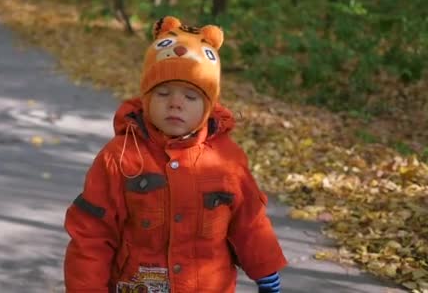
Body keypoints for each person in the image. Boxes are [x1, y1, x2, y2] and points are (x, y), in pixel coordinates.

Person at [63, 16, 287, 293]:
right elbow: (92, 234)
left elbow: (249, 221)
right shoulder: (120, 157)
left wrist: (265, 270)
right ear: (145, 99)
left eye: (191, 97)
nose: (176, 104)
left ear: (208, 107)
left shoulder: (227, 161)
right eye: (163, 93)